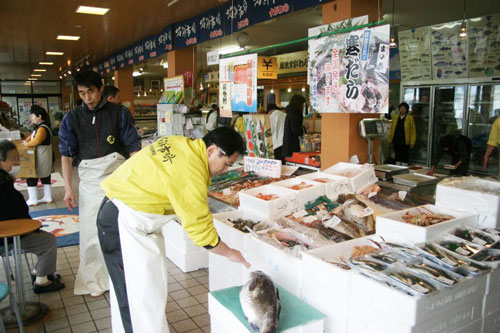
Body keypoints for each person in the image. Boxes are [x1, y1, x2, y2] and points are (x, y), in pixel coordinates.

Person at [96, 127, 250, 332]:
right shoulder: (191, 169)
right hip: (121, 222)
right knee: (137, 299)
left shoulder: (183, 144)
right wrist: (230, 253)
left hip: (127, 217)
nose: (225, 171)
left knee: (146, 295)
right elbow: (202, 233)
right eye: (226, 164)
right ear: (212, 150)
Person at [58, 70, 141, 297]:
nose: (87, 98)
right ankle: (95, 280)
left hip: (118, 179)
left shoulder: (120, 113)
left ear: (101, 88)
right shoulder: (71, 119)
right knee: (91, 232)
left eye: (91, 92)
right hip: (89, 182)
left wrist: (138, 182)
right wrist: (67, 187)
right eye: (82, 93)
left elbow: (134, 149)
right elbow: (66, 154)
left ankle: (122, 276)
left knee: (121, 229)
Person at [0, 140, 65, 294]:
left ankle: (40, 271)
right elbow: (14, 211)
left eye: (18, 158)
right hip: (8, 236)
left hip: (10, 232)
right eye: (13, 159)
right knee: (47, 241)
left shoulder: (5, 180)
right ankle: (42, 281)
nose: (17, 162)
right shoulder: (3, 183)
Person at [24, 105, 54, 206]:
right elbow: (30, 137)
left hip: (41, 158)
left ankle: (33, 199)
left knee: (32, 177)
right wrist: (26, 141)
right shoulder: (40, 127)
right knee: (45, 176)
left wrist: (25, 145)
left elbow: (36, 141)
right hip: (44, 157)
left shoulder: (42, 128)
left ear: (39, 116)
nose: (32, 118)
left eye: (33, 116)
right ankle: (47, 197)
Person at [283, 95, 306, 159]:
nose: (303, 106)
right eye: (303, 104)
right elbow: (296, 130)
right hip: (293, 147)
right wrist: (304, 128)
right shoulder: (296, 114)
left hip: (288, 146)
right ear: (299, 104)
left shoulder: (290, 112)